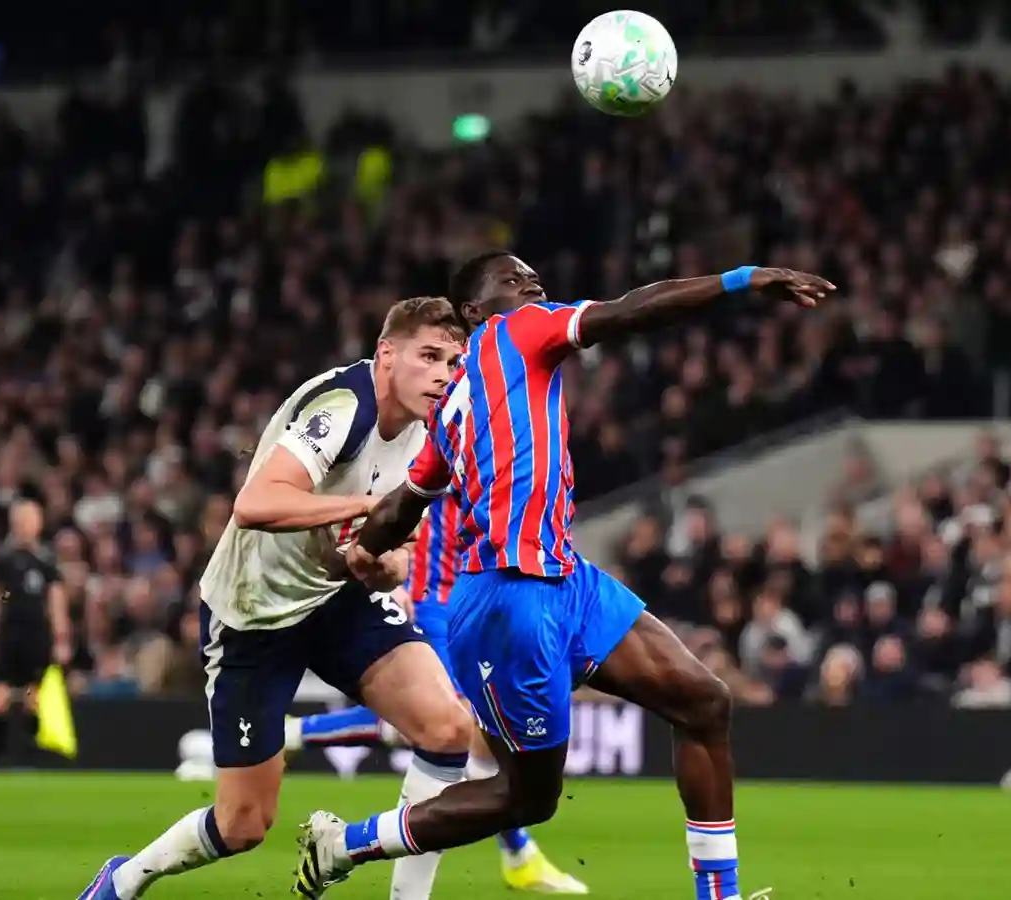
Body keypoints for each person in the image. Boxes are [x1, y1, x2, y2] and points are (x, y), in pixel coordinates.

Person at [291, 252, 834, 899]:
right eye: (512, 278)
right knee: (527, 798)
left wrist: (358, 554)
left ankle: (718, 896)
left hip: (564, 579)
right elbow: (630, 310)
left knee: (702, 701)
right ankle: (348, 844)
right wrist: (739, 281)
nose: (532, 283)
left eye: (533, 277)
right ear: (475, 310)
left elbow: (407, 500)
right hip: (505, 600)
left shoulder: (451, 411)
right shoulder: (516, 331)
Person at [78, 297, 472, 900]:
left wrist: (388, 562)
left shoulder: (435, 427)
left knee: (447, 729)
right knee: (242, 826)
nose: (445, 372)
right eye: (429, 356)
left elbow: (395, 549)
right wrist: (364, 511)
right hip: (253, 613)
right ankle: (124, 879)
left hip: (337, 597)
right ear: (387, 354)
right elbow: (255, 503)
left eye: (454, 359)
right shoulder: (344, 406)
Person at [285, 489, 590, 894]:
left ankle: (518, 855)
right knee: (441, 723)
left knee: (470, 728)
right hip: (429, 599)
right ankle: (294, 735)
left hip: (473, 597)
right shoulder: (444, 438)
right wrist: (387, 573)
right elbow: (393, 494)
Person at [0, 499, 71, 767]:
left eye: (29, 520)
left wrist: (61, 638)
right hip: (8, 636)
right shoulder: (3, 561)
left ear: (38, 524)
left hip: (37, 637)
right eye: (20, 521)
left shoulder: (46, 562)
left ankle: (29, 756)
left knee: (35, 696)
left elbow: (56, 602)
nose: (24, 526)